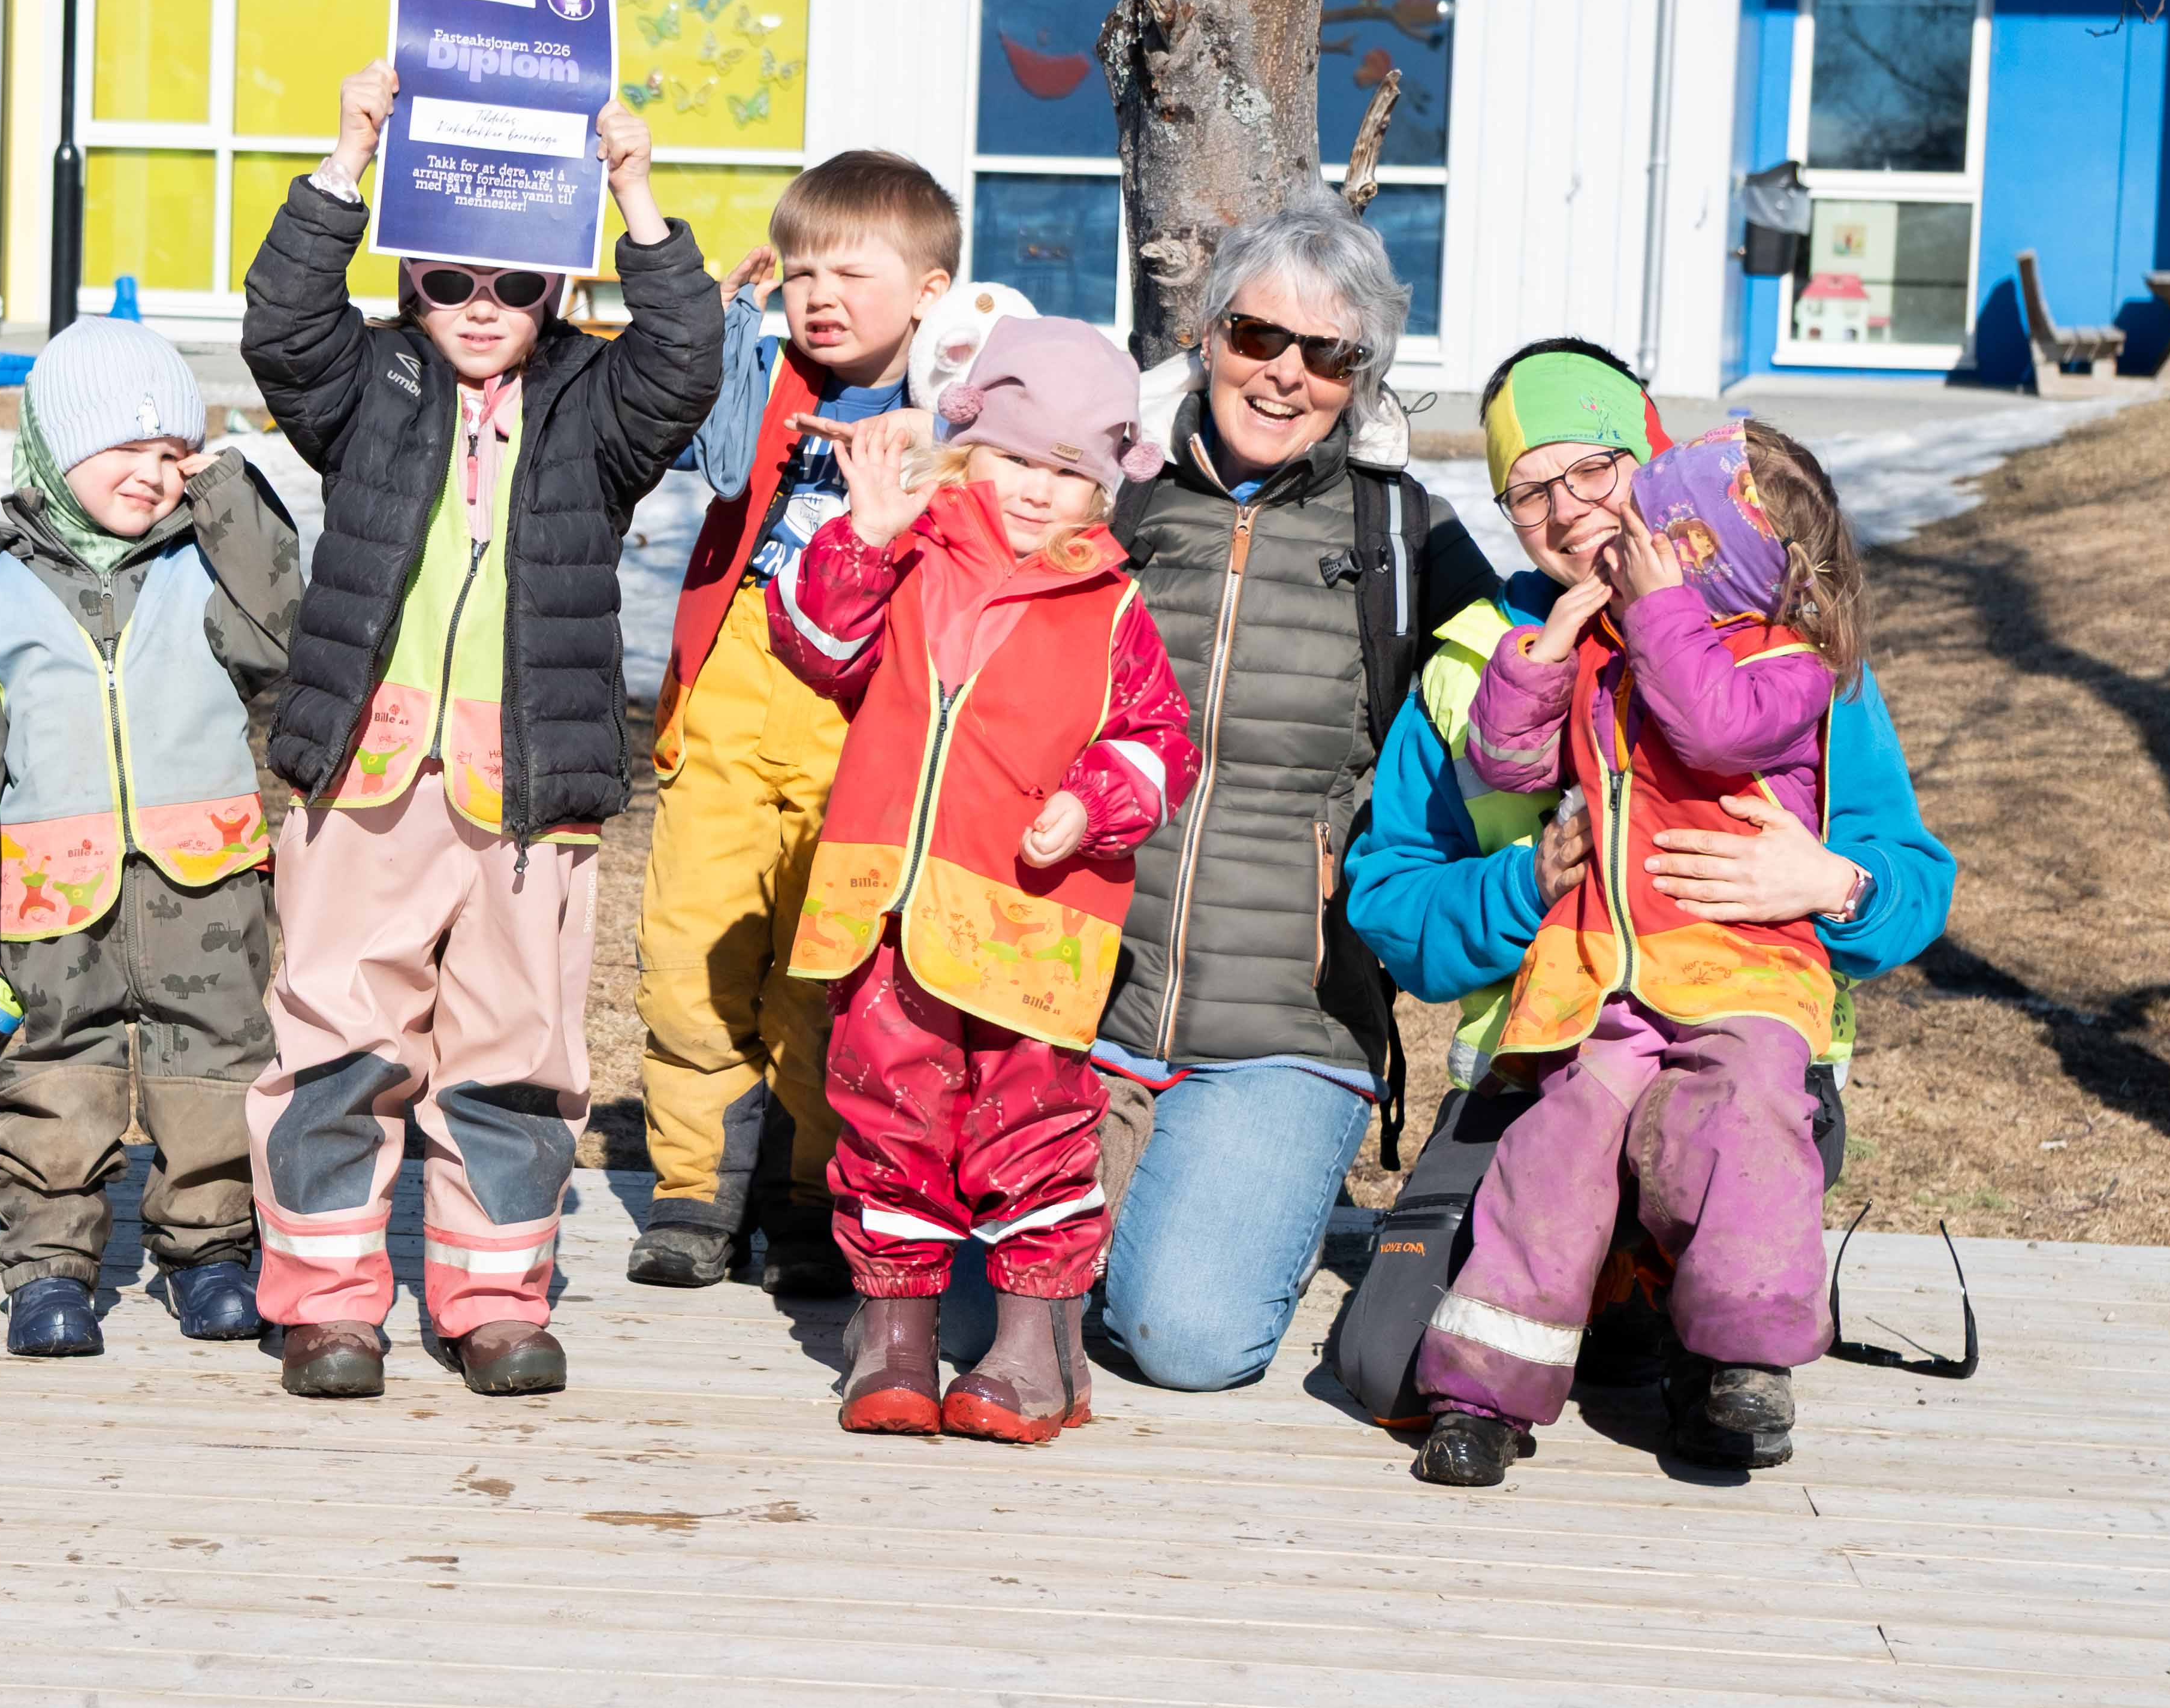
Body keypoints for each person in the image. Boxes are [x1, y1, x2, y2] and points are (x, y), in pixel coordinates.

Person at [1341, 337, 1952, 1462]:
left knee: (1716, 1132)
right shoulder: (1489, 655)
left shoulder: (1787, 654)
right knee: (1388, 1362)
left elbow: (1916, 879)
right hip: (1554, 1048)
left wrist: (1831, 885)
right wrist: (1522, 887)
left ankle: (1719, 1349)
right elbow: (1390, 904)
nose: (1568, 510)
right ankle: (1553, 1349)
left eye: (1598, 469)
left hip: (1735, 1034)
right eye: (1530, 489)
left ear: (1664, 470)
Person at [237, 60, 723, 1402]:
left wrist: (633, 195)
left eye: (514, 285)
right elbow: (281, 321)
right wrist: (348, 153)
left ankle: (493, 1294)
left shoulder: (596, 409)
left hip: (530, 782)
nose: (480, 309)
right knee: (337, 1034)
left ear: (554, 292)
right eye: (450, 280)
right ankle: (328, 1300)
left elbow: (687, 357)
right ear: (410, 283)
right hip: (371, 767)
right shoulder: (367, 385)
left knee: (514, 1051)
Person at [1091, 182, 1505, 1395]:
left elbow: (1520, 701)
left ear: (1360, 375)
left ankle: (1208, 1184)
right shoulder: (1113, 496)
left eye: (1326, 353)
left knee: (1191, 1341)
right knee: (990, 1305)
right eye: (1257, 335)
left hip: (1289, 1021)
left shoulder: (1402, 537)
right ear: (1206, 335)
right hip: (1083, 996)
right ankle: (1144, 1177)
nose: (1284, 374)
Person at [1407, 420, 1866, 1486]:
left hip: (1742, 976)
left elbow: (1713, 732)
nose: (1622, 540)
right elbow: (1510, 763)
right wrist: (1548, 651)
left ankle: (1739, 1360)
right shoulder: (1614, 649)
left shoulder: (1787, 662)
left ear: (1724, 560)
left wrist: (1654, 610)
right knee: (1554, 1154)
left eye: (1661, 533)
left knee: (1745, 1122)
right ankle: (1484, 1391)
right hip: (1608, 976)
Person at [766, 318, 1195, 1444]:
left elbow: (1162, 741)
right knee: (888, 1120)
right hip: (886, 917)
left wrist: (1098, 797)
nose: (1037, 492)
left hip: (1028, 926)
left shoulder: (1110, 606)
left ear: (1103, 487)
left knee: (1032, 1126)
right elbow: (817, 645)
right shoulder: (906, 555)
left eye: (1068, 474)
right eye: (1016, 461)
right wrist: (861, 532)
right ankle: (895, 1336)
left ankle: (1030, 1345)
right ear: (968, 449)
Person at [630, 151, 961, 1297]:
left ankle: (813, 1190)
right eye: (804, 270)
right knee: (691, 946)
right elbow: (678, 432)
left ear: (930, 290)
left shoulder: (959, 416)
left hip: (857, 718)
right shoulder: (762, 377)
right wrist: (711, 322)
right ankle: (693, 1189)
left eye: (853, 273)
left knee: (828, 967)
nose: (820, 294)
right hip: (730, 689)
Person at [0, 316, 301, 1360]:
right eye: (127, 448)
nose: (155, 475)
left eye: (173, 453)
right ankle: (50, 1266)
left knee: (216, 1065)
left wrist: (227, 491)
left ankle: (209, 1250)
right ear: (61, 448)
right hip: (51, 887)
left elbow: (287, 624)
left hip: (206, 882)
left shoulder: (211, 571)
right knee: (53, 1070)